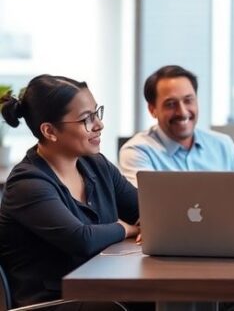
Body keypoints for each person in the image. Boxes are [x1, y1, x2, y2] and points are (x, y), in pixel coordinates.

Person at [0, 75, 140, 307]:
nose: (99, 125)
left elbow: (146, 209)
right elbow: (81, 239)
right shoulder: (28, 183)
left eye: (97, 113)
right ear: (49, 131)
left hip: (101, 290)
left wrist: (146, 221)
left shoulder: (96, 164)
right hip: (54, 303)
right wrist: (126, 228)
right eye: (87, 119)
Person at [119, 65, 234, 187]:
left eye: (188, 100)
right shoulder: (138, 152)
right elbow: (144, 205)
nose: (182, 112)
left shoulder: (223, 145)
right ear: (153, 110)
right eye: (171, 104)